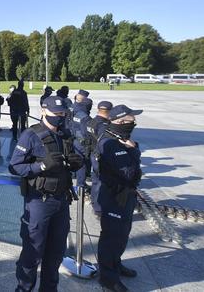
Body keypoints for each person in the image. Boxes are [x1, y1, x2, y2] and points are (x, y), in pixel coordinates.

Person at [9, 96, 83, 292]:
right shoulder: (31, 135)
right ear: (43, 111)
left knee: (56, 253)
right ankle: (23, 288)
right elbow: (15, 166)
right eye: (56, 114)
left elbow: (71, 160)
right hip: (39, 202)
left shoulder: (65, 134)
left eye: (63, 114)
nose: (60, 117)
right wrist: (41, 165)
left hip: (61, 201)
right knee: (33, 253)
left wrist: (77, 163)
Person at [96, 105, 143, 292]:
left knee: (122, 234)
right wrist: (135, 151)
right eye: (132, 120)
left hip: (125, 195)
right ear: (121, 122)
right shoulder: (112, 143)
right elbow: (130, 173)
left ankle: (116, 263)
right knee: (112, 237)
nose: (134, 124)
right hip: (113, 197)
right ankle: (108, 277)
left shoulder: (121, 139)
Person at [87, 101, 112, 213]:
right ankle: (99, 208)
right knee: (101, 182)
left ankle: (95, 203)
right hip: (100, 156)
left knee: (95, 181)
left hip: (93, 153)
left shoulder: (91, 122)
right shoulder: (104, 126)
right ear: (109, 111)